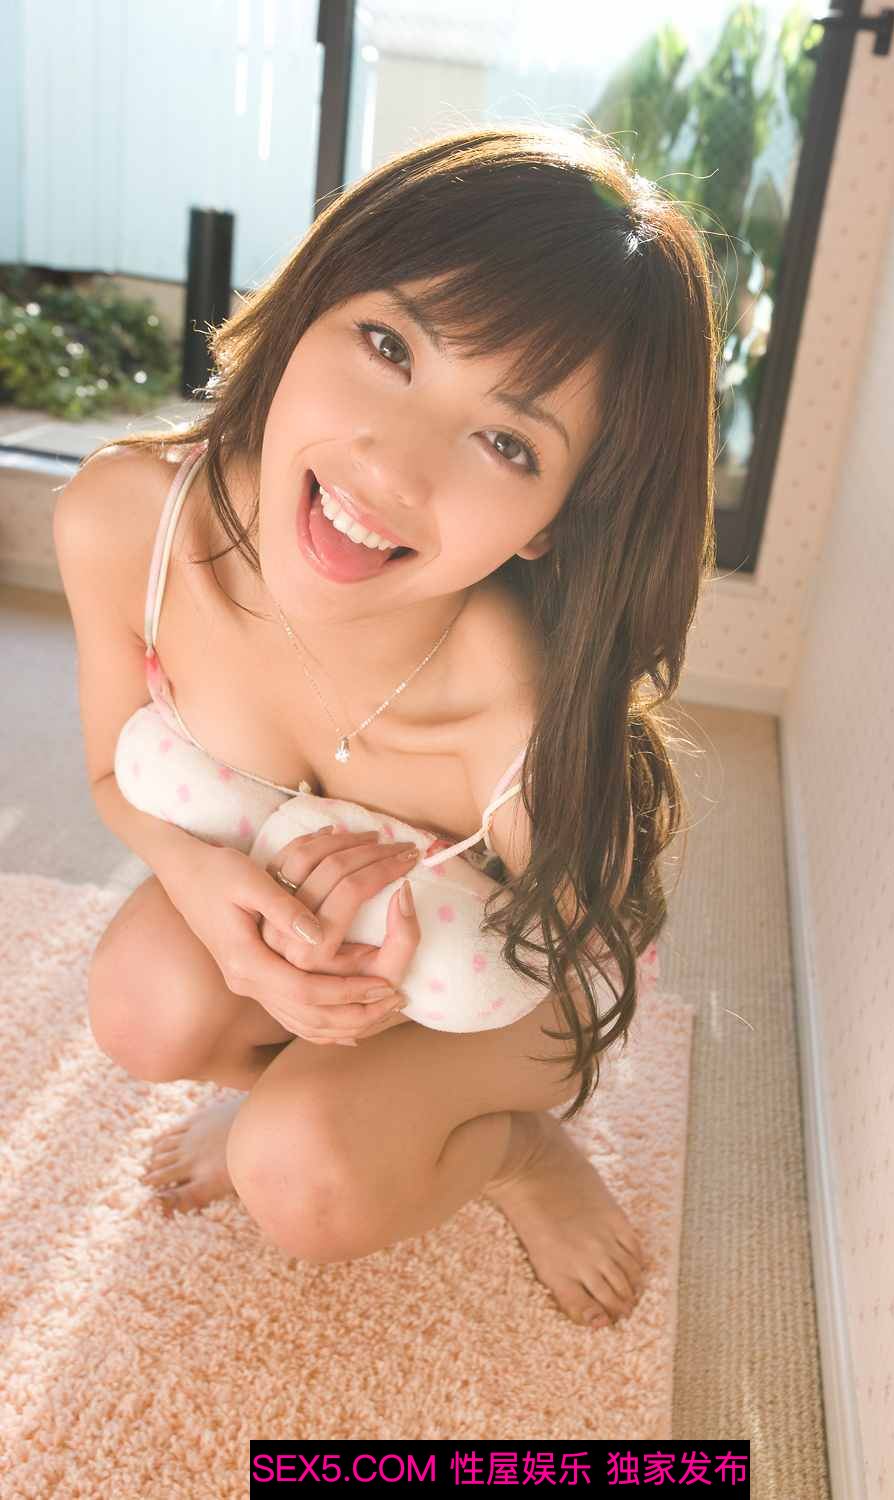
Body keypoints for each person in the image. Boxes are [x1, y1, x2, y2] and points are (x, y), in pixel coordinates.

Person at [53, 122, 719, 1332]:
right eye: (389, 345)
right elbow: (110, 771)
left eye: (506, 442)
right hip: (309, 935)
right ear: (309, 302)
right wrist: (209, 893)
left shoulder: (514, 728)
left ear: (552, 521)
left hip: (514, 978)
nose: (392, 467)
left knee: (305, 1175)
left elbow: (582, 977)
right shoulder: (126, 522)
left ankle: (517, 1156)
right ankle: (292, 1074)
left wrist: (381, 1000)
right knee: (144, 1001)